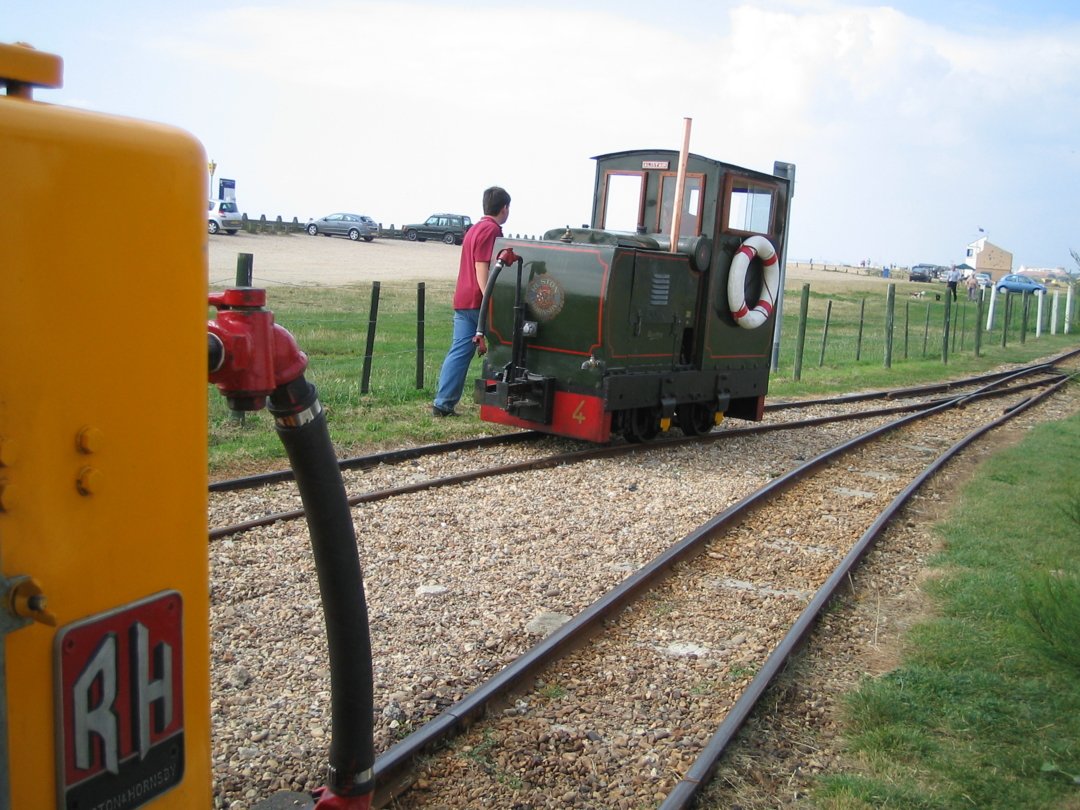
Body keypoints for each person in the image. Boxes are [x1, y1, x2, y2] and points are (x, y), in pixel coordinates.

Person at [432, 186, 511, 417]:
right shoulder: (492, 230)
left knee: (459, 352)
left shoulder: (474, 229)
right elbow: (481, 266)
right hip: (479, 301)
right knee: (505, 349)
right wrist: (489, 298)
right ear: (504, 208)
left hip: (463, 299)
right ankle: (499, 398)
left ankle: (443, 403)